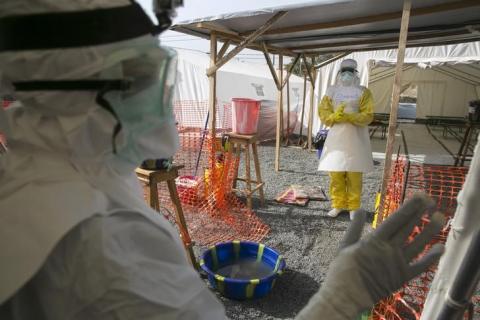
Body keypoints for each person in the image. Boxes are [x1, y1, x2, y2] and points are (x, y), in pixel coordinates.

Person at [0, 2, 445, 319]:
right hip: (339, 144)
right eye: (139, 76)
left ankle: (348, 202)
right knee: (336, 180)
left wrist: (353, 114)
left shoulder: (30, 179)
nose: (161, 92)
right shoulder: (112, 241)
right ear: (74, 94)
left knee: (350, 177)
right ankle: (341, 202)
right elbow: (327, 113)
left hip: (356, 142)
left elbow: (362, 113)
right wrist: (339, 300)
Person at [318, 59, 375, 220]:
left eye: (350, 70)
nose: (347, 74)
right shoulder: (331, 91)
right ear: (339, 72)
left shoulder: (363, 92)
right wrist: (333, 116)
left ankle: (353, 206)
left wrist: (352, 116)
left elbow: (368, 114)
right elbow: (323, 112)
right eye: (344, 71)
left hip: (356, 136)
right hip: (336, 137)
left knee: (354, 173)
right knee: (336, 172)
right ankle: (337, 204)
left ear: (356, 72)